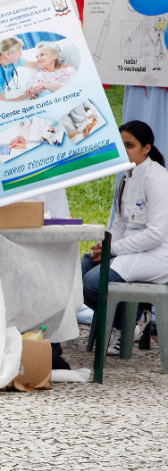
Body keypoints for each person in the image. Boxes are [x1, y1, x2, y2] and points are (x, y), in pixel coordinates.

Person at [82, 120, 168, 355]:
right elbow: (119, 224)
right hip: (131, 251)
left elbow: (156, 234)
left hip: (157, 255)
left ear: (146, 148)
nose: (124, 151)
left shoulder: (157, 179)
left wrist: (114, 250)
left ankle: (132, 320)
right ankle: (130, 316)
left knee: (93, 283)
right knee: (80, 270)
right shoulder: (125, 179)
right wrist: (105, 248)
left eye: (130, 145)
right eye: (121, 145)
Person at [0, 37, 41, 101]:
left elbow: (34, 65)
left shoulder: (13, 59)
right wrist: (27, 94)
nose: (21, 55)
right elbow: (4, 102)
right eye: (19, 52)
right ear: (7, 54)